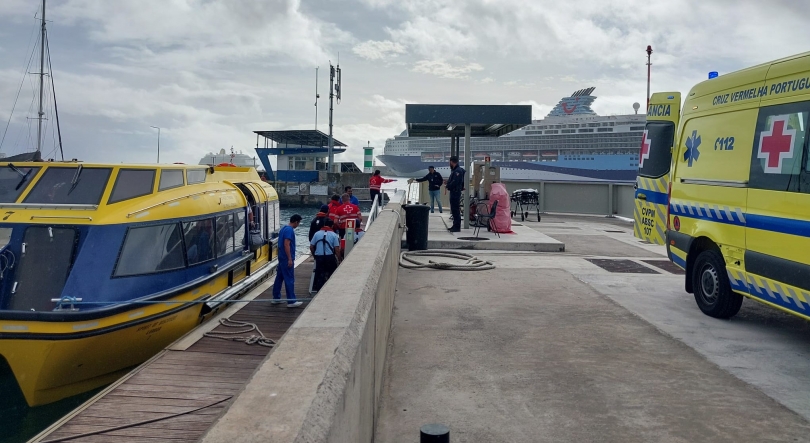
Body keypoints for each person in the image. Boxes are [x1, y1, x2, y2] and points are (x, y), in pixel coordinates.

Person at [273, 214, 303, 307]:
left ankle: (276, 298)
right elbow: (287, 244)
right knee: (289, 278)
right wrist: (290, 258)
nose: (298, 225)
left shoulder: (283, 228)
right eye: (298, 223)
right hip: (286, 258)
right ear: (296, 222)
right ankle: (291, 301)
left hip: (281, 257)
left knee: (279, 278)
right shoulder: (289, 230)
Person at [310, 218, 341, 292]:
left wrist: (314, 255)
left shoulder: (317, 233)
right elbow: (336, 249)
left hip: (319, 257)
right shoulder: (334, 235)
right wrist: (339, 259)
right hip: (329, 257)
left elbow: (311, 246)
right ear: (332, 226)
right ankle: (330, 289)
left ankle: (319, 289)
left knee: (320, 273)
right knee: (331, 272)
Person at [445, 156, 466, 232]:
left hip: (455, 192)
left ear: (451, 161)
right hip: (455, 192)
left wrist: (448, 186)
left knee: (455, 209)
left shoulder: (457, 171)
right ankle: (455, 225)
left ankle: (457, 227)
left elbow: (455, 182)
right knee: (454, 210)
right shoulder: (457, 170)